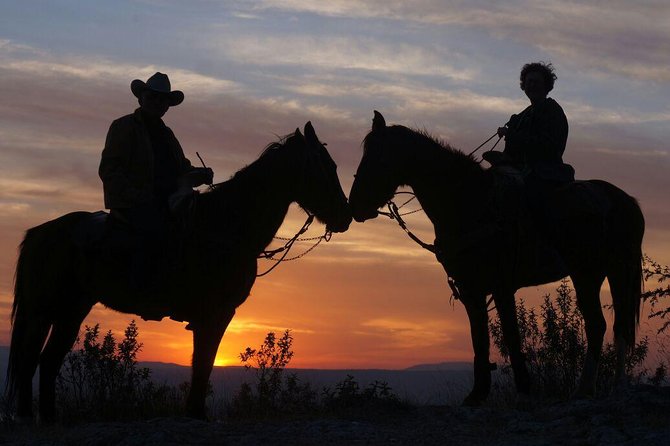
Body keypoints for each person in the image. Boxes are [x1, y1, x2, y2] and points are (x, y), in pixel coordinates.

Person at [99, 72, 213, 303]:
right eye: (153, 97)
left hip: (167, 201)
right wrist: (138, 195)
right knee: (155, 233)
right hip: (133, 204)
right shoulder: (124, 127)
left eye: (162, 100)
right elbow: (110, 170)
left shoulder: (167, 134)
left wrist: (198, 174)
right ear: (142, 98)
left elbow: (181, 168)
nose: (158, 103)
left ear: (167, 106)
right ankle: (143, 292)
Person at [487, 61, 574, 191]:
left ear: (546, 86)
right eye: (529, 81)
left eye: (537, 82)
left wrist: (511, 135)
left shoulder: (553, 111)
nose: (532, 85)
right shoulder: (522, 115)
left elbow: (548, 146)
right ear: (524, 85)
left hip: (544, 173)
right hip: (520, 169)